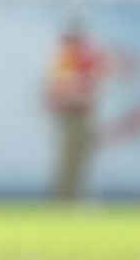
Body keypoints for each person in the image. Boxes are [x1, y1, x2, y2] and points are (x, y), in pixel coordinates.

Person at [46, 19, 108, 201]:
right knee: (67, 160)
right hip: (69, 114)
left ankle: (75, 198)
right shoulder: (63, 55)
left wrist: (81, 90)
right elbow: (57, 86)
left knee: (82, 159)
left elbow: (96, 84)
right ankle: (62, 199)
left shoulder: (88, 54)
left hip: (85, 113)